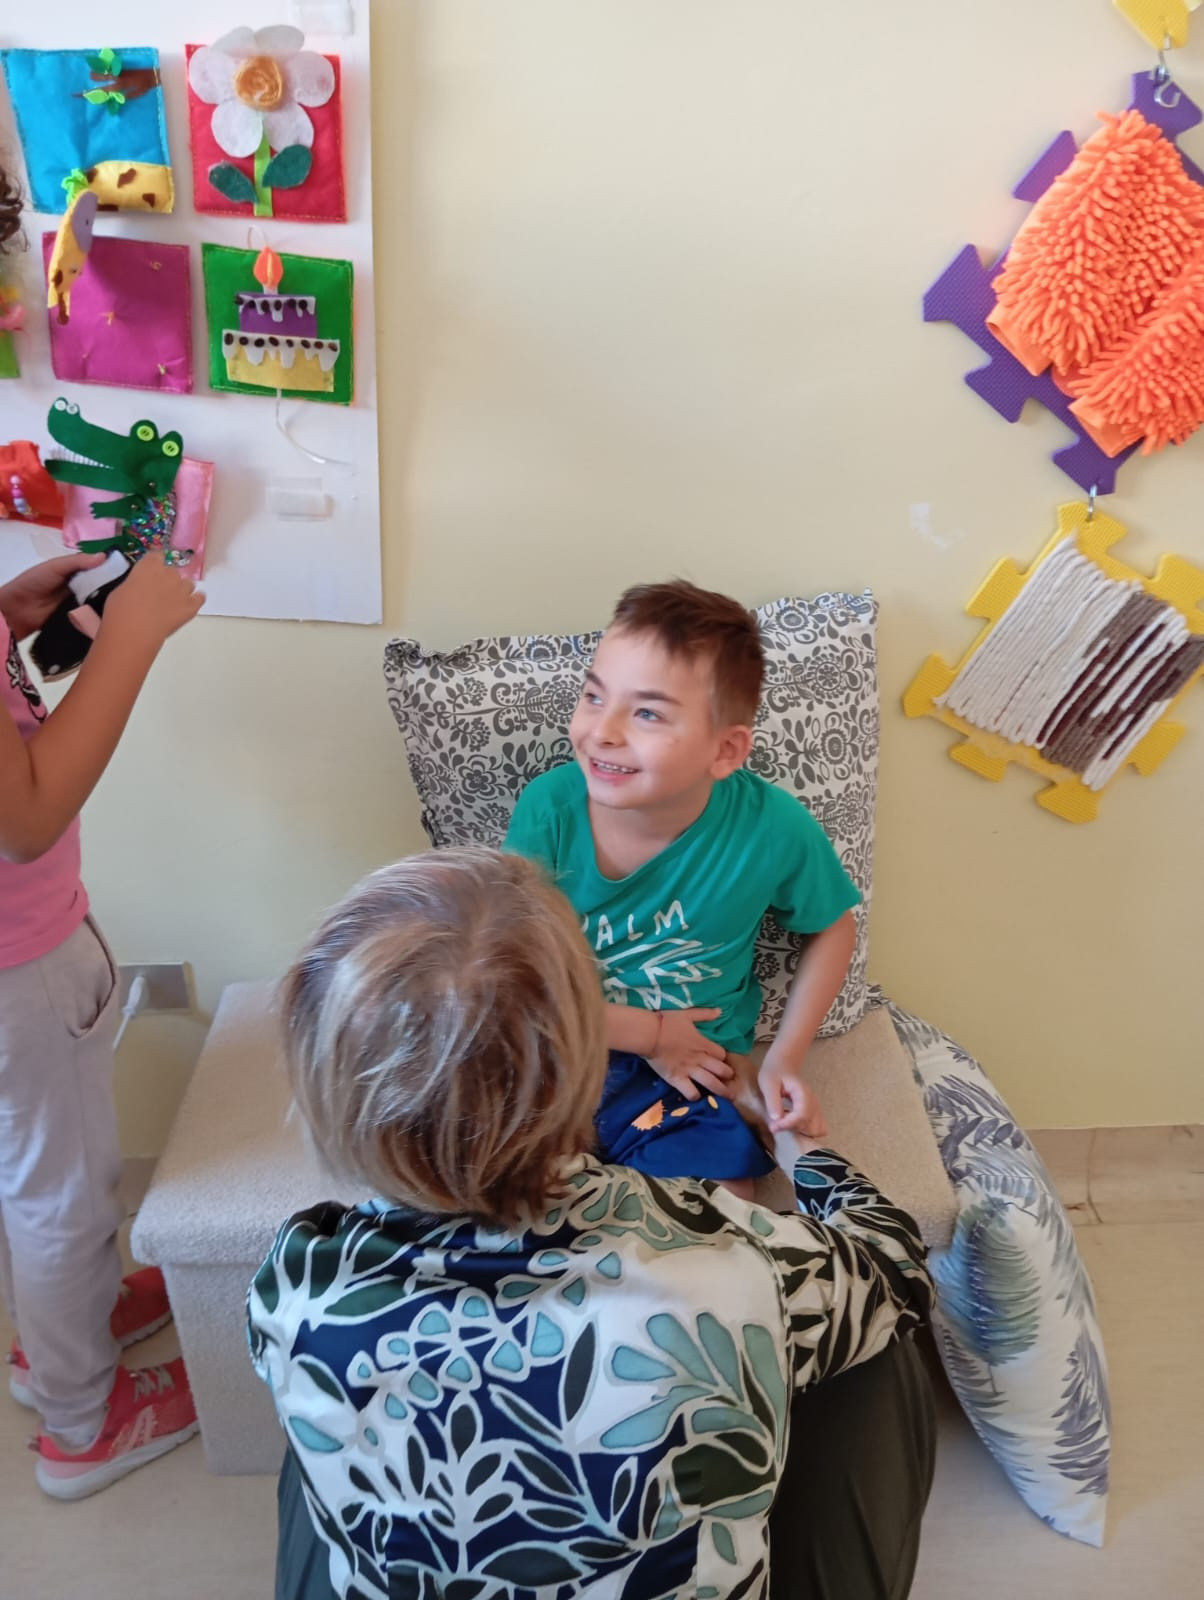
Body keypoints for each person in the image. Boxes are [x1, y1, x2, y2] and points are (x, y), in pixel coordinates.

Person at [251, 847, 936, 1600]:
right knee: (874, 1344)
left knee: (313, 1410)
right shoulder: (726, 1269)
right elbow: (898, 1262)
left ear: (322, 1082)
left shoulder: (297, 1278)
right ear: (582, 1063)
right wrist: (801, 1149)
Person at [1, 161, 203, 1496]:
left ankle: (58, 1320)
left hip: (29, 950)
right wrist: (128, 642)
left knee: (43, 1162)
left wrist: (19, 615)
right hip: (19, 957)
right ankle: (79, 1417)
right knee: (60, 1178)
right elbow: (28, 816)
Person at [504, 580, 860, 1194]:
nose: (603, 731)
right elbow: (514, 974)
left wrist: (786, 1056)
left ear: (725, 751)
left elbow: (832, 925)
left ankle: (747, 1112)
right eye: (593, 696)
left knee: (724, 1211)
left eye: (646, 713)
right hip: (560, 1044)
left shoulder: (773, 828)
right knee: (497, 1181)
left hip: (693, 1066)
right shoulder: (549, 810)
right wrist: (651, 1034)